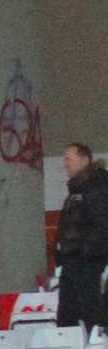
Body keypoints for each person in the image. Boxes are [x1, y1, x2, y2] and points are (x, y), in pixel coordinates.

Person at [57, 140, 108, 333]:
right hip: (72, 261)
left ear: (84, 160)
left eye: (68, 159)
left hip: (87, 262)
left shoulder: (97, 187)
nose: (65, 164)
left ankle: (96, 347)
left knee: (90, 312)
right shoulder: (76, 190)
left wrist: (85, 252)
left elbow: (101, 223)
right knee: (66, 315)